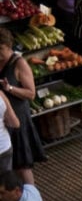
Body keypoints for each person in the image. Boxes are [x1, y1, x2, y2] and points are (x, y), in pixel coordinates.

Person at [0, 27, 46, 185]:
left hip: (18, 118)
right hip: (3, 119)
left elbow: (31, 93)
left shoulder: (19, 64)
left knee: (22, 164)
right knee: (8, 163)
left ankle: (32, 194)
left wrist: (10, 88)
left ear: (8, 46)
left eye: (1, 49)